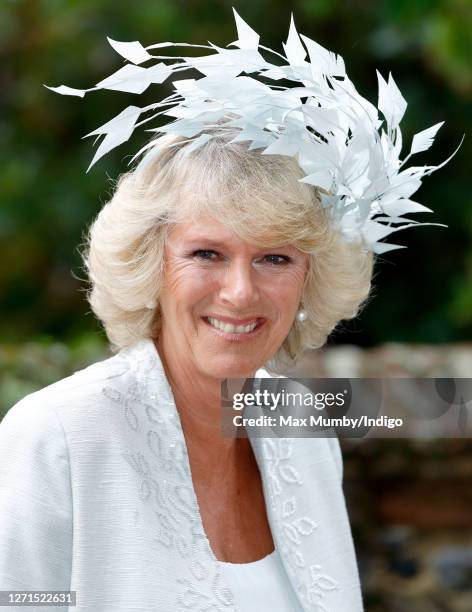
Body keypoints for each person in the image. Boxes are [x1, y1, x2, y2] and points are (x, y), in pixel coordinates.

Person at [1, 9, 454, 612]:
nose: (239, 292)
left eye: (274, 259)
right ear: (151, 264)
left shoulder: (302, 428)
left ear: (311, 280)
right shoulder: (55, 435)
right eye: (207, 253)